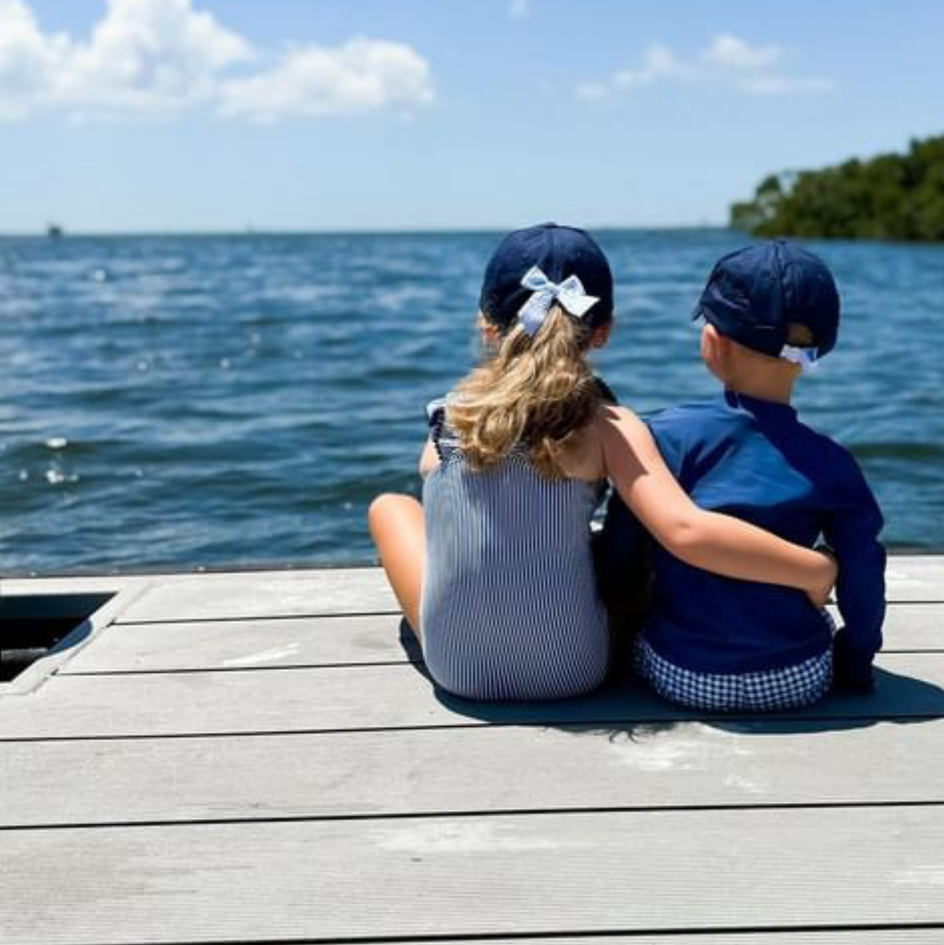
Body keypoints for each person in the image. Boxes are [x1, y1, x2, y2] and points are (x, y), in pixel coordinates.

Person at [367, 223, 838, 702]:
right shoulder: (609, 424)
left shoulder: (451, 416)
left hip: (459, 672)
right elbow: (686, 533)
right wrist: (814, 569)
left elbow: (435, 474)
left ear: (486, 325)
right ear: (603, 332)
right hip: (576, 669)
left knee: (390, 507)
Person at [598, 239, 886, 711]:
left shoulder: (663, 437)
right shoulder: (832, 461)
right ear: (819, 350)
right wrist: (854, 663)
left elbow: (622, 562)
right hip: (796, 679)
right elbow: (864, 575)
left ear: (713, 344)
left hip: (682, 674)